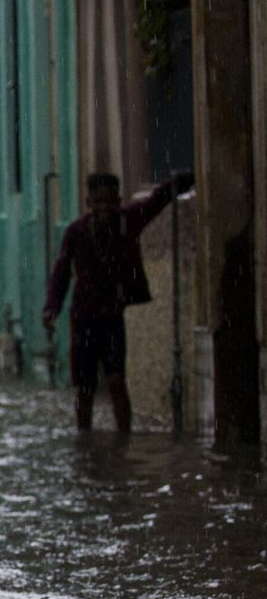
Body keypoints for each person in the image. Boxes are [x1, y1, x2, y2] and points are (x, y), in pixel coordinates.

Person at [42, 169, 192, 433]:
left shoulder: (127, 222)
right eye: (98, 202)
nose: (104, 208)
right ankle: (84, 438)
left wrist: (181, 182)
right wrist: (52, 307)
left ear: (119, 200)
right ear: (88, 204)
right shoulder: (75, 233)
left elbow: (156, 201)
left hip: (112, 317)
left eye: (110, 202)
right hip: (84, 318)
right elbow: (62, 272)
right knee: (85, 388)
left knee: (116, 380)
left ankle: (124, 439)